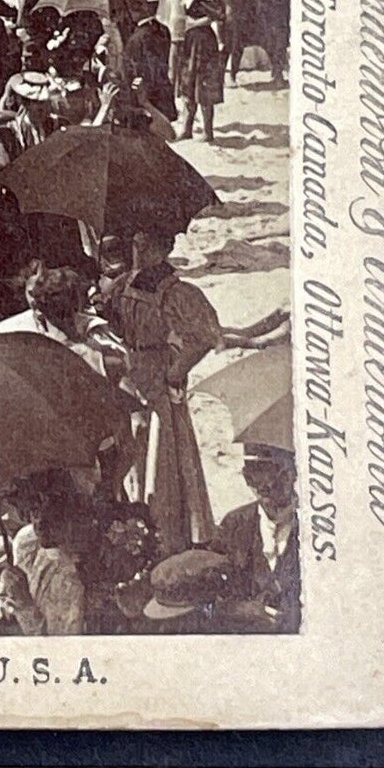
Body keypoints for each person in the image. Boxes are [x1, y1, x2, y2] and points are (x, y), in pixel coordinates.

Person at [107, 228, 221, 555]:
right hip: (131, 373)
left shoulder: (176, 291)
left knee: (166, 454)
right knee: (133, 446)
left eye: (147, 247)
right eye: (136, 245)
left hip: (158, 372)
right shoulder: (125, 282)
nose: (139, 254)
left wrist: (175, 373)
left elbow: (204, 338)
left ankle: (173, 535)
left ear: (167, 247)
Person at [208, 444, 300, 632]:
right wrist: (237, 609)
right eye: (252, 475)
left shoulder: (314, 527)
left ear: (292, 473)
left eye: (271, 473)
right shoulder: (233, 525)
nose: (263, 486)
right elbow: (207, 599)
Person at [175, 0, 225, 142]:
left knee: (203, 85)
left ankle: (208, 130)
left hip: (203, 40)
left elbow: (217, 15)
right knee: (188, 83)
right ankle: (187, 128)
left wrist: (192, 23)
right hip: (191, 39)